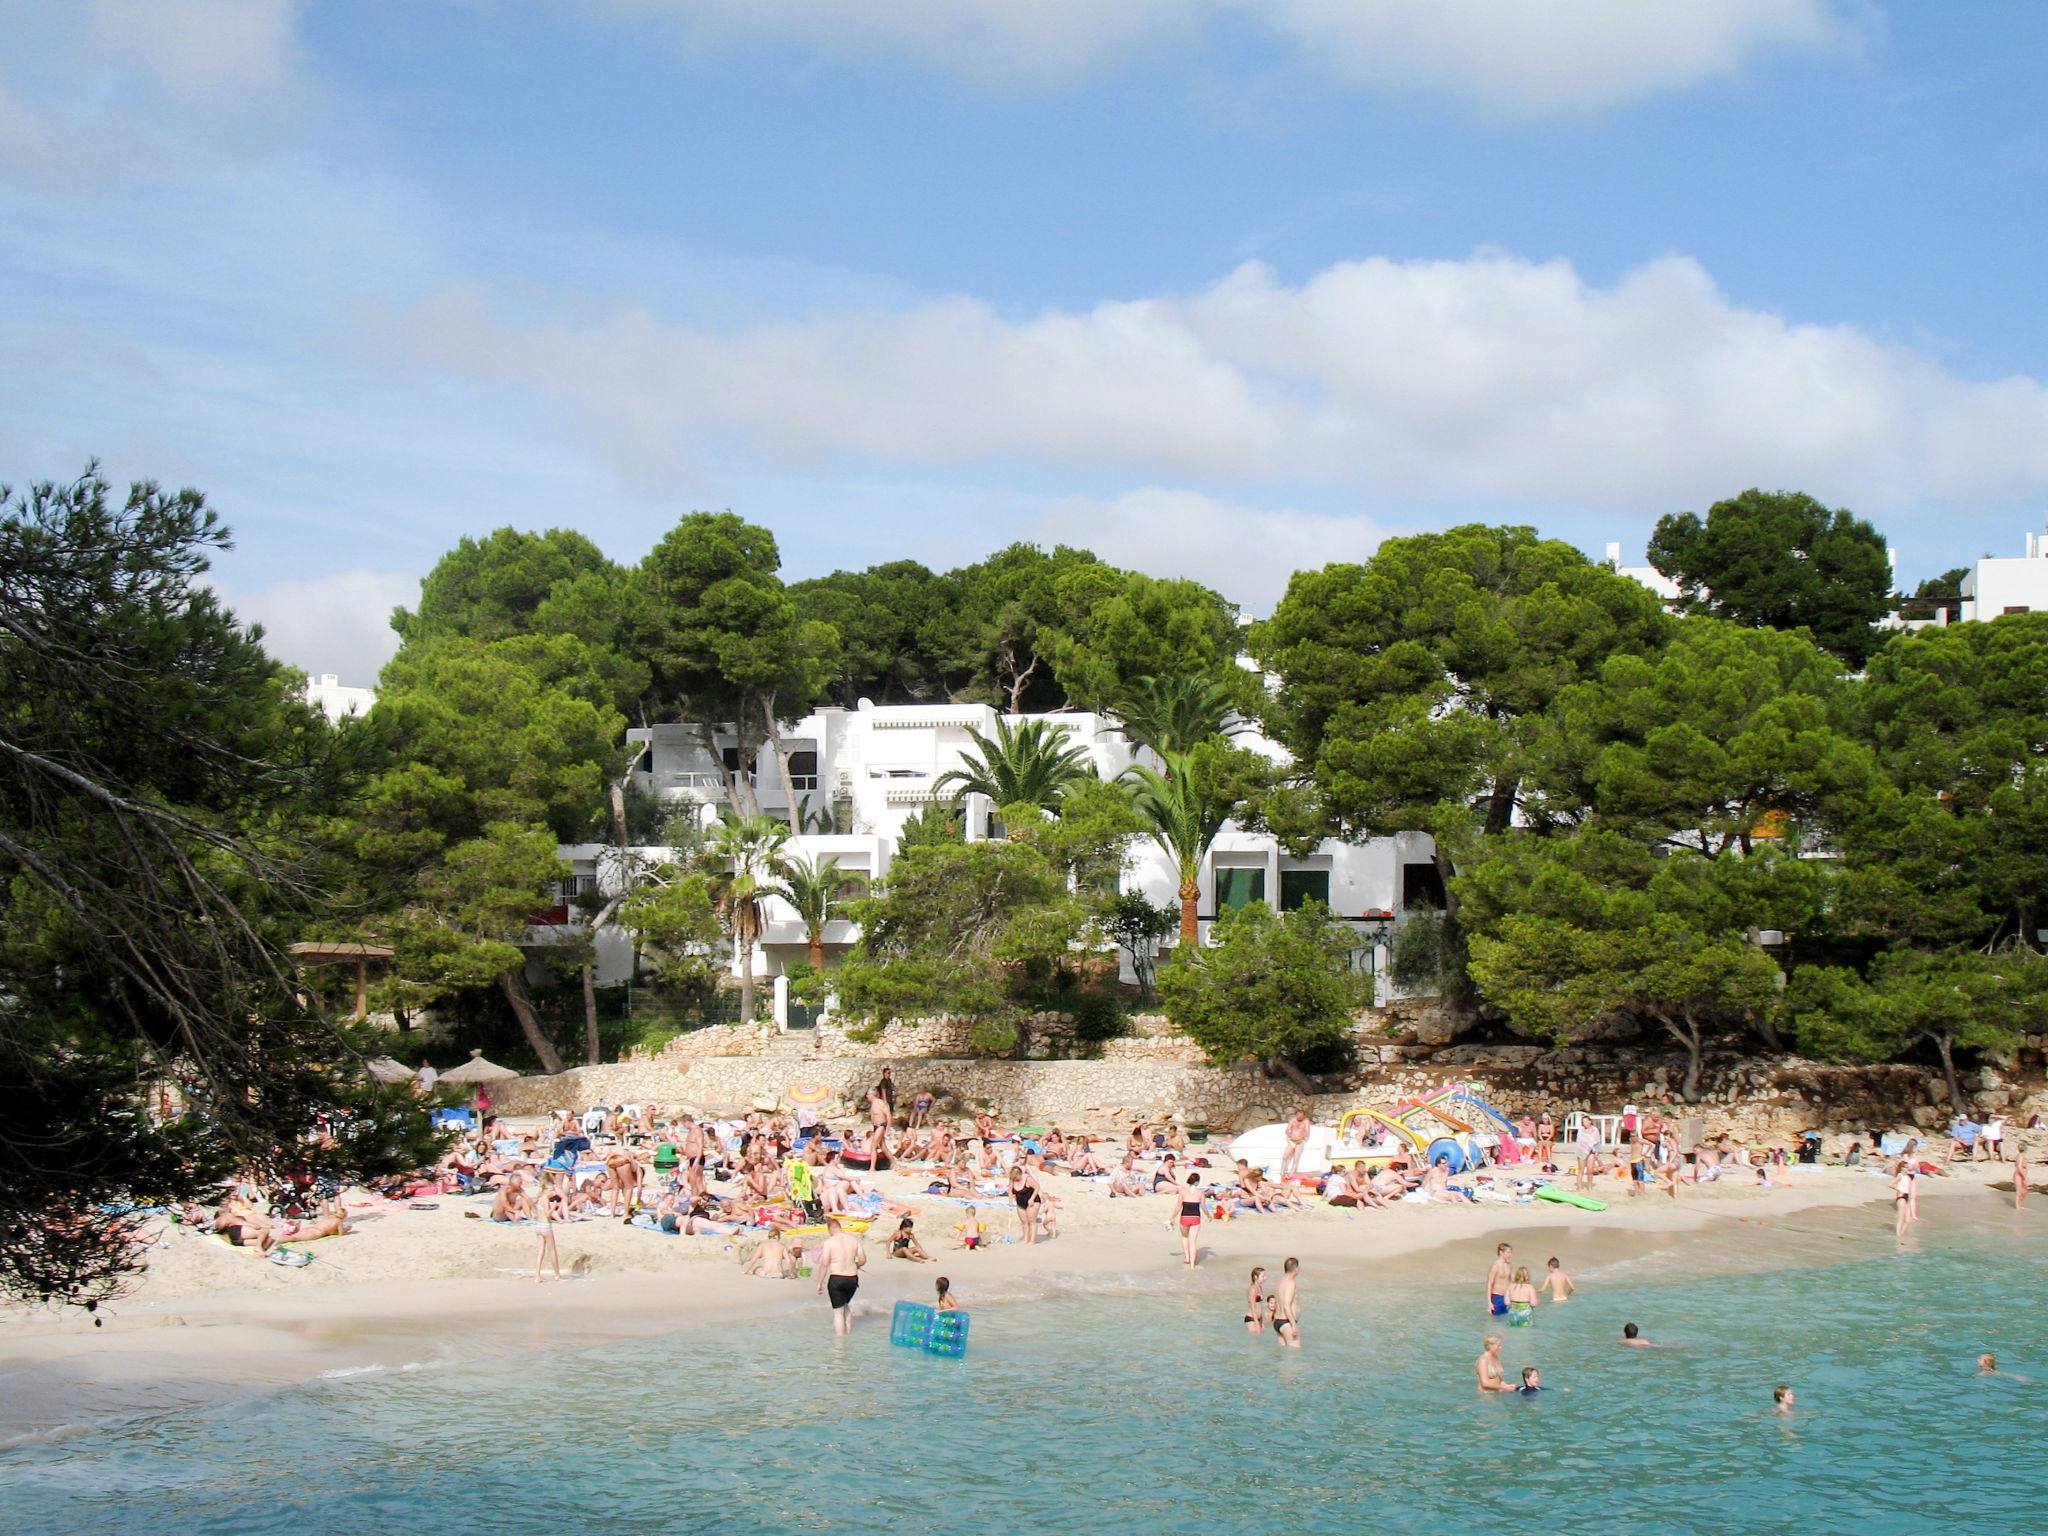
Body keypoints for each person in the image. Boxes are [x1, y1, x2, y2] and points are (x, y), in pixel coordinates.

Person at [816, 1216, 866, 1335]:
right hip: (852, 1279)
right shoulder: (854, 1240)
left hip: (837, 1278)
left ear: (830, 1229)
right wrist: (856, 1264)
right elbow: (863, 1259)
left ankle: (840, 1345)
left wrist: (819, 1283)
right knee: (845, 1306)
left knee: (838, 1312)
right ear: (840, 1227)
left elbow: (824, 1264)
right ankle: (848, 1336)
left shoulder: (830, 1242)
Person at [1173, 1172, 1202, 1268]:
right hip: (1196, 1217)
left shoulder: (1183, 1191)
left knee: (1185, 1237)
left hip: (1184, 1217)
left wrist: (1172, 1217)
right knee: (1192, 1242)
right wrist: (1209, 1215)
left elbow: (1178, 1206)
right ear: (1197, 1182)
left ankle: (1187, 1258)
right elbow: (1204, 1207)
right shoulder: (1200, 1192)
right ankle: (1192, 1266)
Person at [1273, 1257, 1302, 1349]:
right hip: (1286, 1322)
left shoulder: (1280, 1281)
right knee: (1294, 1354)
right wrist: (1293, 1325)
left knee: (1283, 1355)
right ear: (1296, 1268)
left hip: (1278, 1321)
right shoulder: (1290, 1283)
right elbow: (1286, 1305)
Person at [1011, 1165, 1042, 1246]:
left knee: (1031, 1221)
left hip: (1032, 1201)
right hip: (1020, 1202)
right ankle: (1025, 1238)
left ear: (1019, 1175)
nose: (1015, 1180)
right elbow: (1010, 1190)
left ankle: (1032, 1240)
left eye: (1016, 1178)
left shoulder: (1027, 1179)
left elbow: (1037, 1186)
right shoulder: (1012, 1180)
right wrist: (1010, 1201)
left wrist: (1032, 1199)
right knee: (1024, 1222)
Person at [1281, 1109, 1312, 1181]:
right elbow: (1287, 1129)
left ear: (1303, 1116)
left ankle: (1291, 1174)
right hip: (1291, 1141)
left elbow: (1307, 1132)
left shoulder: (1306, 1121)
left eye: (1301, 1115)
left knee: (1296, 1159)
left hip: (1299, 1142)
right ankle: (1282, 1172)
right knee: (1285, 1157)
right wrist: (1289, 1133)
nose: (1299, 1117)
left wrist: (1301, 1138)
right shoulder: (1292, 1120)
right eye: (1298, 1115)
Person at [1484, 1242, 1513, 1316]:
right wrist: (1489, 1303)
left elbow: (1511, 1282)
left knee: (1507, 1321)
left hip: (1507, 1297)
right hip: (1497, 1297)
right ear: (1501, 1252)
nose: (1510, 1255)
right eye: (1508, 1252)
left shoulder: (1509, 1265)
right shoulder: (1495, 1266)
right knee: (1495, 1322)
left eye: (1511, 1252)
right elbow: (1489, 1284)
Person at [1244, 1266, 1268, 1335]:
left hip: (1259, 1319)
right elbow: (1252, 1306)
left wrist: (1262, 1319)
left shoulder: (1260, 1287)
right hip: (1252, 1319)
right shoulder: (1253, 1289)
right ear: (1255, 1277)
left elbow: (1260, 1305)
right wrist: (1256, 1322)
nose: (1265, 1278)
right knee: (1254, 1342)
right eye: (1263, 1276)